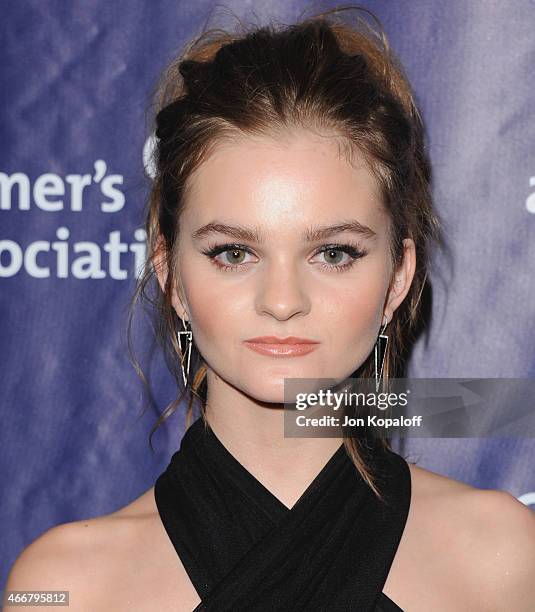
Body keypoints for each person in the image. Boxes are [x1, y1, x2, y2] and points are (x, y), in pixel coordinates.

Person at [5, 6, 535, 611]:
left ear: (398, 278)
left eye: (333, 253)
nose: (282, 301)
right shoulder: (64, 587)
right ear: (171, 273)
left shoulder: (504, 560)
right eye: (235, 252)